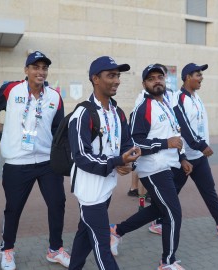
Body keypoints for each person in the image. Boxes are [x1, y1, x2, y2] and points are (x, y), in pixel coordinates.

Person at [0, 51, 70, 270]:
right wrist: (3, 132)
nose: (40, 72)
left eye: (44, 68)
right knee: (13, 208)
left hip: (46, 163)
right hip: (17, 163)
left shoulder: (54, 96)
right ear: (26, 70)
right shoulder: (11, 90)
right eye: (35, 67)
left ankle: (55, 249)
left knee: (57, 204)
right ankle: (7, 250)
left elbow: (58, 132)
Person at [110, 64, 192, 270]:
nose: (157, 81)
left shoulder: (166, 104)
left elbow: (175, 134)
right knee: (173, 213)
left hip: (169, 166)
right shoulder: (143, 108)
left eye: (160, 77)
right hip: (153, 169)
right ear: (144, 84)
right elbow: (134, 144)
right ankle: (167, 262)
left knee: (157, 209)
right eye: (151, 78)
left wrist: (182, 157)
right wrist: (166, 144)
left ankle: (117, 231)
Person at [67, 56, 141, 270]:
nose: (117, 80)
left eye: (118, 75)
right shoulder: (82, 113)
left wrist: (129, 163)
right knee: (102, 247)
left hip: (106, 187)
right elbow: (81, 156)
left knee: (84, 235)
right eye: (111, 75)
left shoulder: (118, 112)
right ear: (95, 79)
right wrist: (118, 160)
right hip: (89, 191)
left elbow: (127, 144)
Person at [172, 63, 218, 236]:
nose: (201, 78)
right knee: (171, 192)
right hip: (183, 157)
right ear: (188, 77)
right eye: (198, 74)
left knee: (208, 189)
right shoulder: (178, 98)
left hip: (198, 156)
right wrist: (200, 145)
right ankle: (154, 222)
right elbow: (182, 127)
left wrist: (201, 147)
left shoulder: (196, 97)